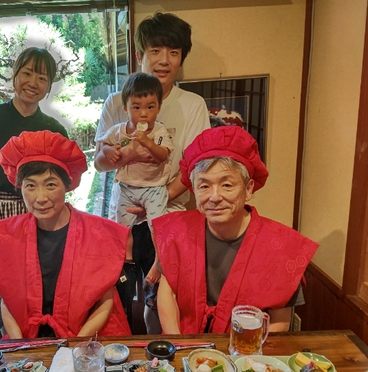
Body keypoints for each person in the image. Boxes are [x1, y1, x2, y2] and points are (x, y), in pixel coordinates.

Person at [93, 12, 210, 333]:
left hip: (168, 216)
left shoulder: (193, 105)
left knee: (162, 303)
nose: (164, 61)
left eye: (173, 53)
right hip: (125, 214)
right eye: (155, 51)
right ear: (139, 54)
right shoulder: (117, 102)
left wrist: (156, 199)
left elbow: (195, 166)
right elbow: (99, 163)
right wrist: (119, 154)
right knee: (120, 301)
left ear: (182, 58)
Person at [154, 126, 319, 334]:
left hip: (249, 351)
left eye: (227, 185)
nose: (214, 197)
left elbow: (280, 321)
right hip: (187, 346)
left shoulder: (282, 245)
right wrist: (178, 344)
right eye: (204, 186)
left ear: (248, 188)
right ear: (193, 189)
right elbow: (167, 294)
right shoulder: (176, 230)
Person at [0, 130, 132, 338]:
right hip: (29, 339)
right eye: (30, 186)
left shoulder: (99, 234)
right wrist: (19, 348)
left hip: (85, 337)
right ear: (20, 188)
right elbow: (8, 299)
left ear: (67, 185)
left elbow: (105, 302)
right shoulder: (8, 236)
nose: (41, 197)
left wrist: (74, 347)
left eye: (50, 185)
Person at [0, 47, 68, 326]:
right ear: (14, 76)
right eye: (27, 73)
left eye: (42, 78)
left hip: (35, 212)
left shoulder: (53, 128)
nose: (33, 83)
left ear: (49, 86)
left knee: (33, 282)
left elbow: (59, 184)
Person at [98, 72, 172, 286]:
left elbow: (162, 155)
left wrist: (147, 143)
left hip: (154, 187)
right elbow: (103, 147)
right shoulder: (119, 131)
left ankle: (158, 261)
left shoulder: (159, 131)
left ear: (159, 107)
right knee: (122, 227)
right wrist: (110, 150)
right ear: (126, 109)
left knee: (157, 227)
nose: (143, 113)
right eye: (136, 107)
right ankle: (127, 260)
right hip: (127, 188)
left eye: (150, 107)